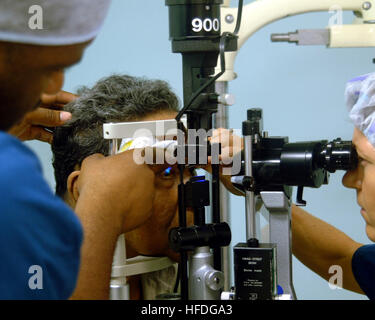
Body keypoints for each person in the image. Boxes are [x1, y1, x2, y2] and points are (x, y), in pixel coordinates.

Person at [0, 0, 167, 299]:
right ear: (82, 188)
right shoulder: (8, 178)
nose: (55, 84)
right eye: (165, 170)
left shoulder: (172, 277)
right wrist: (102, 208)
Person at [51, 74, 194, 299]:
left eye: (192, 168)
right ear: (82, 189)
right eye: (165, 172)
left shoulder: (169, 272)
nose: (192, 190)